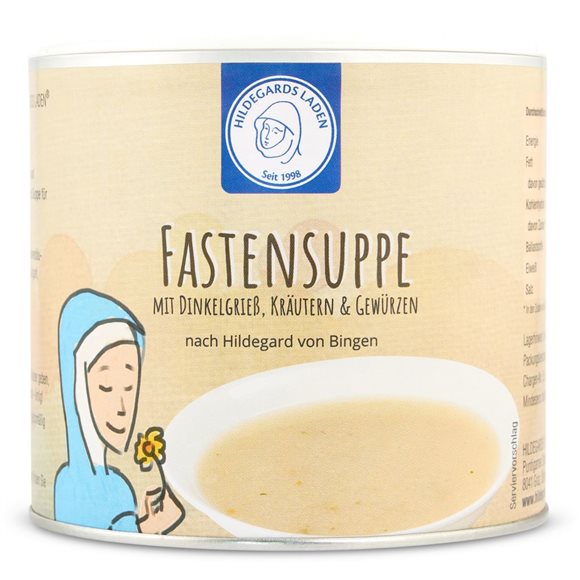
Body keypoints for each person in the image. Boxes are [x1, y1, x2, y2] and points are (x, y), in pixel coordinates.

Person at [54, 289, 184, 534]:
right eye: (106, 387)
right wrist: (152, 527)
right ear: (77, 386)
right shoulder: (68, 483)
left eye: (129, 387)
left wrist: (145, 524)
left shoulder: (119, 486)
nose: (122, 407)